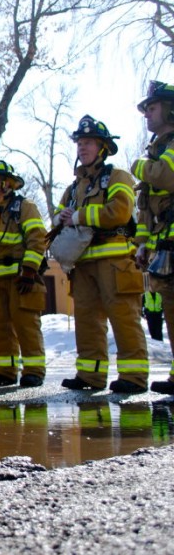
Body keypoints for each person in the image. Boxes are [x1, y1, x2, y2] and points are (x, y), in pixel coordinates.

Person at [55, 115, 147, 393]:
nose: (82, 147)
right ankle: (90, 376)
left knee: (123, 318)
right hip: (83, 265)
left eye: (89, 143)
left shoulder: (117, 177)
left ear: (103, 148)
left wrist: (80, 216)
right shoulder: (73, 189)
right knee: (86, 320)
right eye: (80, 143)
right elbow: (58, 221)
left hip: (115, 261)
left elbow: (119, 210)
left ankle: (134, 378)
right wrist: (62, 218)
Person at [0, 159, 48, 388]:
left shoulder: (25, 206)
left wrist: (29, 270)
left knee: (26, 325)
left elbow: (38, 238)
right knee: (0, 327)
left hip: (21, 278)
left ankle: (34, 371)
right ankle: (5, 371)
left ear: (7, 183)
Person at [132, 80, 174, 394]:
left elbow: (165, 176)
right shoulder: (156, 151)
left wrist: (138, 166)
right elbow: (145, 208)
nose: (147, 113)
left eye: (153, 107)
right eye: (146, 109)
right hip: (164, 246)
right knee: (171, 312)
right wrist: (143, 243)